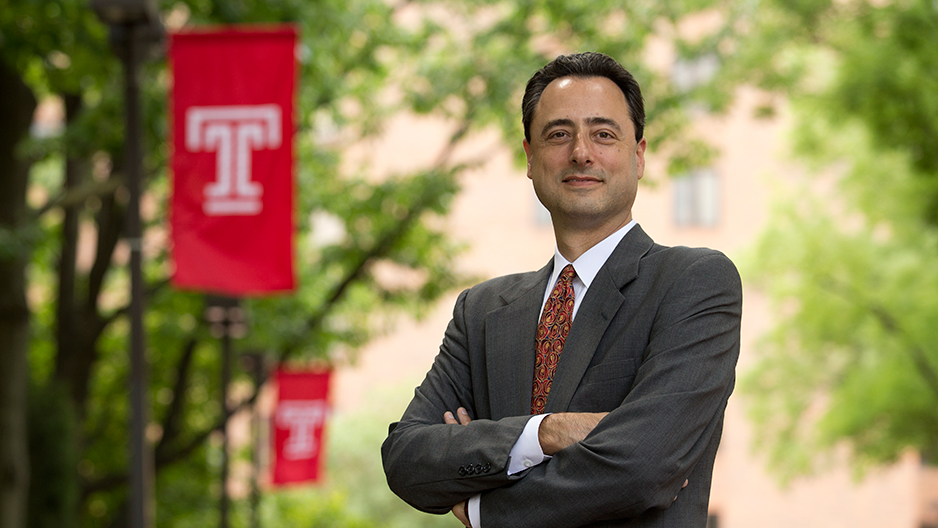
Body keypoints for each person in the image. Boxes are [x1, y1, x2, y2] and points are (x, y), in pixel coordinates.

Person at [381, 51, 742, 528]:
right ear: (530, 158)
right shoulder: (482, 311)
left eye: (604, 134)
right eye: (558, 134)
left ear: (639, 155)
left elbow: (640, 468)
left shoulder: (692, 283)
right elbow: (406, 458)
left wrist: (481, 506)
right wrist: (546, 434)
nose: (581, 152)